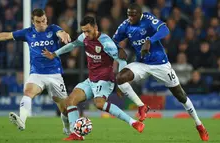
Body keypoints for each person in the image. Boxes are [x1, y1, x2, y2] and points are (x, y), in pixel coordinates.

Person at [113, 3, 209, 141]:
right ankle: (141, 106)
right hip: (142, 63)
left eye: (133, 15)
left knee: (180, 95)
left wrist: (150, 41)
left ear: (140, 14)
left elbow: (165, 30)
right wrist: (117, 48)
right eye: (128, 14)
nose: (130, 18)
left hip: (160, 64)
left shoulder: (148, 18)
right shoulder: (125, 25)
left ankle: (199, 125)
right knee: (120, 78)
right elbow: (112, 41)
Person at [43, 16, 145, 141]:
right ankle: (76, 134)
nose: (85, 34)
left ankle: (134, 123)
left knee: (99, 104)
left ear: (95, 28)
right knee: (70, 101)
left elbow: (121, 60)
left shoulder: (106, 43)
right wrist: (55, 54)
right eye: (83, 31)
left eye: (88, 31)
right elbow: (73, 45)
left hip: (105, 80)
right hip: (91, 79)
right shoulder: (84, 37)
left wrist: (121, 82)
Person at [0, 8, 71, 135]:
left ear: (46, 19)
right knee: (28, 92)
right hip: (37, 74)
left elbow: (61, 33)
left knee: (64, 109)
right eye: (38, 22)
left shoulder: (53, 28)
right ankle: (22, 121)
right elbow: (6, 35)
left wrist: (64, 34)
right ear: (33, 22)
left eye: (43, 20)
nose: (42, 24)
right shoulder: (28, 33)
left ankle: (67, 129)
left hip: (54, 75)